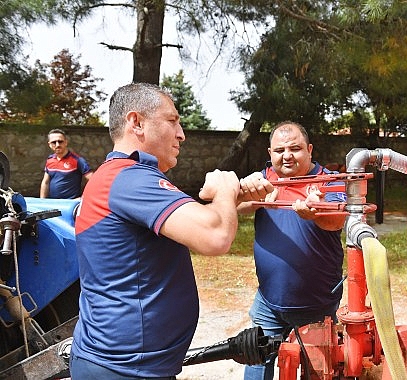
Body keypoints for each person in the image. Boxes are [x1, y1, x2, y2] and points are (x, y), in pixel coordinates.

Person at [69, 82, 273, 380]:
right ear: (136, 123)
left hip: (126, 365)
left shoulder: (122, 178)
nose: (181, 134)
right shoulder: (130, 180)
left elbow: (196, 221)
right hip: (124, 370)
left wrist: (231, 199)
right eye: (172, 121)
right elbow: (215, 237)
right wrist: (226, 186)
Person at [237, 121, 348, 380]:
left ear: (309, 150)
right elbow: (234, 206)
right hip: (268, 301)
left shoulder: (328, 182)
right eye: (279, 150)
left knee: (317, 371)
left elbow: (337, 221)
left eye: (295, 148)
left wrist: (316, 213)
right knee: (255, 364)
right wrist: (247, 193)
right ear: (270, 154)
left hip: (317, 304)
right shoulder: (264, 179)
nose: (287, 155)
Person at [40, 128, 93, 199]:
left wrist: (83, 197)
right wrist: (42, 200)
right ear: (49, 144)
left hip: (70, 204)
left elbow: (93, 180)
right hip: (52, 203)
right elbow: (45, 182)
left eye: (60, 141)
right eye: (54, 142)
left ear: (66, 142)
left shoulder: (78, 160)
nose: (57, 144)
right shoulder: (50, 160)